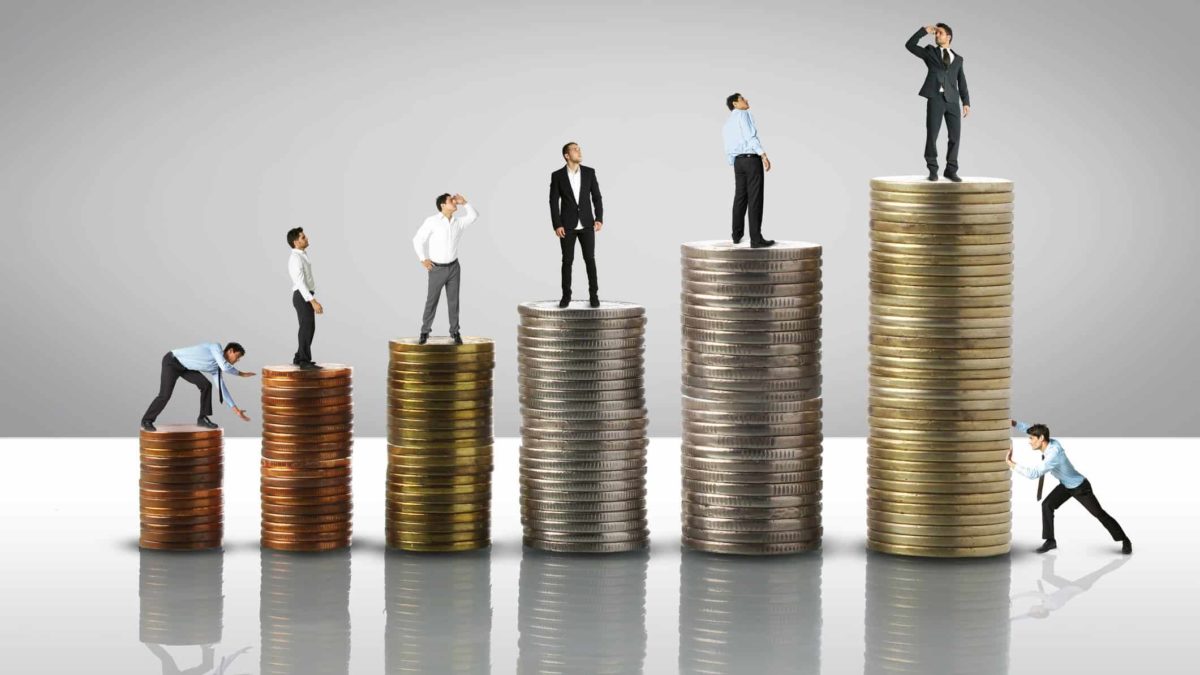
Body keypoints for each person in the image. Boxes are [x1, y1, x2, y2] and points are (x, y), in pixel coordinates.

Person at [1007, 420, 1131, 554]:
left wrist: (1011, 463)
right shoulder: (1050, 442)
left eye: (1031, 438)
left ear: (1041, 438)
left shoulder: (1053, 454)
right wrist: (1014, 423)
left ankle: (1124, 539)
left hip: (1080, 487)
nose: (1029, 441)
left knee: (1099, 513)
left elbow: (1033, 473)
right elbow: (1029, 429)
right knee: (1047, 505)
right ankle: (1050, 541)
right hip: (1065, 485)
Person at [905, 23, 971, 182]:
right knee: (932, 135)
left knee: (955, 136)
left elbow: (961, 81)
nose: (936, 35)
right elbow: (910, 45)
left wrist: (966, 102)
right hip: (935, 98)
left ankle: (951, 170)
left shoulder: (958, 59)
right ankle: (933, 169)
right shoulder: (930, 52)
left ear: (949, 37)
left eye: (940, 33)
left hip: (953, 100)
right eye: (936, 33)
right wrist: (923, 31)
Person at [141, 343, 255, 431]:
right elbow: (225, 367)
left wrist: (236, 410)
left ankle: (202, 418)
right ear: (230, 351)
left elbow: (222, 389)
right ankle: (147, 420)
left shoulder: (217, 369)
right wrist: (241, 374)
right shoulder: (216, 347)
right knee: (164, 395)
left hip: (186, 368)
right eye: (237, 356)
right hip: (172, 361)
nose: (238, 360)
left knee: (206, 385)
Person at [412, 193, 478, 345]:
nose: (454, 202)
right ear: (442, 205)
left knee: (453, 301)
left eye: (454, 200)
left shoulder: (458, 222)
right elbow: (418, 239)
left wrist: (465, 202)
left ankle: (455, 331)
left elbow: (474, 216)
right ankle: (424, 331)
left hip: (454, 267)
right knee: (432, 301)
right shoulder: (432, 221)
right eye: (451, 200)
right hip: (437, 269)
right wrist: (423, 259)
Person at [549, 142, 604, 308]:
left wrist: (599, 217)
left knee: (590, 260)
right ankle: (566, 296)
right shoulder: (557, 175)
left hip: (587, 224)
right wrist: (557, 224)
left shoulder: (589, 172)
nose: (579, 151)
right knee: (567, 261)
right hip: (567, 226)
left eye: (579, 148)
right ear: (567, 155)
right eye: (575, 149)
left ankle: (594, 295)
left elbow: (597, 197)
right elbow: (553, 202)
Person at [722, 93, 774, 248]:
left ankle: (736, 235)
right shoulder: (743, 115)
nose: (747, 101)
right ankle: (756, 239)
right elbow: (750, 136)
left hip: (738, 161)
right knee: (755, 198)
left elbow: (727, 146)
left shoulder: (727, 123)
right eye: (743, 99)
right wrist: (763, 155)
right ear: (735, 103)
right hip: (751, 159)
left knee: (740, 197)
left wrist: (734, 161)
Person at [286, 227, 322, 369]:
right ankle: (304, 362)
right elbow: (300, 283)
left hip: (305, 295)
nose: (306, 238)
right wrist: (313, 301)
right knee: (307, 327)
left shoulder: (301, 255)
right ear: (295, 242)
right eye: (303, 237)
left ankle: (299, 357)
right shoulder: (295, 258)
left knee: (307, 327)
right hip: (302, 296)